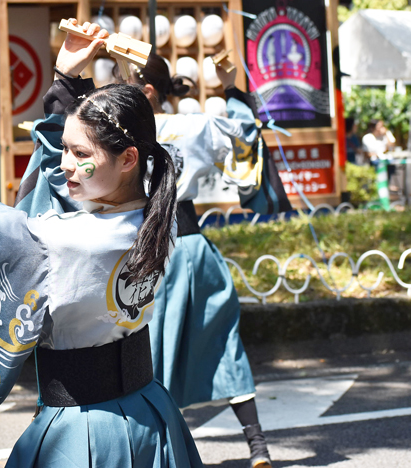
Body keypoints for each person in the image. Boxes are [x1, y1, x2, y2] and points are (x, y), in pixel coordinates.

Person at [0, 20, 203, 468]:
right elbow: (65, 174)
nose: (67, 165)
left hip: (84, 428)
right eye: (67, 149)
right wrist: (68, 79)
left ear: (128, 159)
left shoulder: (72, 238)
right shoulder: (153, 210)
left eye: (81, 155)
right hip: (149, 411)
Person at [16, 50, 291, 468]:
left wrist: (66, 78)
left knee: (133, 352)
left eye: (116, 84)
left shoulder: (106, 137)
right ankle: (256, 445)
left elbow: (55, 172)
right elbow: (243, 132)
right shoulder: (192, 126)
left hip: (131, 251)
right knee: (222, 345)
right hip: (188, 246)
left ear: (143, 91)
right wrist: (233, 87)